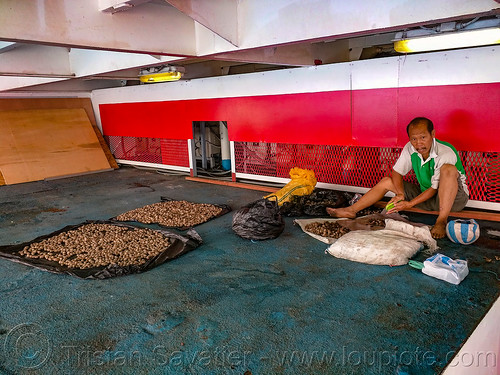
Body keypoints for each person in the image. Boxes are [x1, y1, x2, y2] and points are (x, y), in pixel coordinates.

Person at [326, 117, 469, 239]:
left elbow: (433, 189)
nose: (418, 143)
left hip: (453, 200)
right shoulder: (410, 148)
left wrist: (410, 204)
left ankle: (441, 221)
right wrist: (400, 194)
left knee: (448, 170)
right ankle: (351, 210)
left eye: (423, 137)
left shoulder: (445, 152)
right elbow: (397, 172)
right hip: (427, 196)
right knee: (387, 181)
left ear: (433, 134)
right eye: (414, 139)